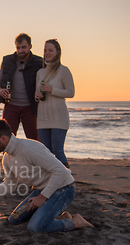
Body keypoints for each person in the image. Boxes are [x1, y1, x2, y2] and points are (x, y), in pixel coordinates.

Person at [0, 119, 93, 233]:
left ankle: (75, 222)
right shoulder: (7, 158)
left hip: (64, 188)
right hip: (42, 190)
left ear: (4, 139)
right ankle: (61, 217)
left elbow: (61, 171)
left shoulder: (29, 148)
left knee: (36, 227)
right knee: (14, 219)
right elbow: (9, 184)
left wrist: (42, 197)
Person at [0, 33, 42, 140]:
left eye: (23, 47)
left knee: (34, 141)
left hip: (30, 108)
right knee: (6, 140)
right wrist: (0, 90)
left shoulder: (39, 62)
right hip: (11, 106)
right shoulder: (7, 60)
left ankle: (32, 158)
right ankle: (9, 158)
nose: (20, 51)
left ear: (30, 46)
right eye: (18, 48)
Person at [34, 39, 74, 168]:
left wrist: (52, 90)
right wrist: (37, 96)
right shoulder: (40, 72)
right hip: (42, 119)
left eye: (50, 50)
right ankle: (50, 183)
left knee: (57, 151)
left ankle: (67, 182)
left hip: (58, 119)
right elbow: (37, 93)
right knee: (46, 153)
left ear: (58, 52)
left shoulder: (63, 70)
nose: (47, 53)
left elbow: (70, 92)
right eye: (45, 50)